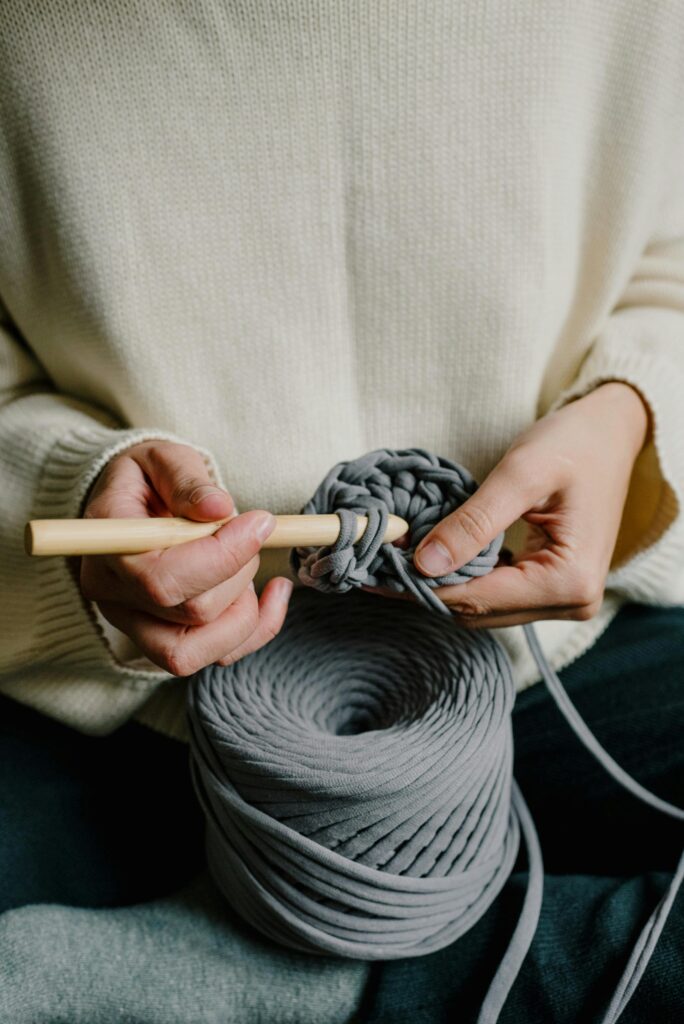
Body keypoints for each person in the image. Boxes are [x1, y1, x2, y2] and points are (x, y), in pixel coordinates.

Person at [0, 3, 682, 1022]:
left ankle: (314, 985)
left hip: (572, 641)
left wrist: (633, 414)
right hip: (129, 696)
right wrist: (64, 483)